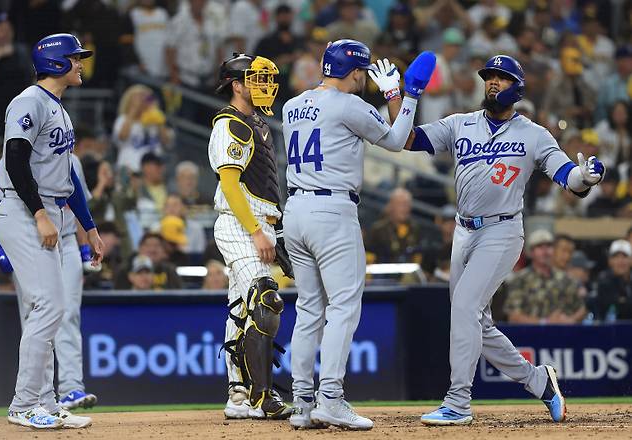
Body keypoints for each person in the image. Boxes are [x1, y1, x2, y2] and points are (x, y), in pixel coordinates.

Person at [404, 54, 606, 425]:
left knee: (464, 308)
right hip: (464, 232)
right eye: (489, 77)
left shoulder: (533, 134)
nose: (493, 83)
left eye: (502, 78)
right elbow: (408, 139)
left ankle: (458, 401)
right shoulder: (461, 123)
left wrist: (585, 177)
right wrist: (403, 98)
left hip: (502, 230)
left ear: (518, 88)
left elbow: (568, 177)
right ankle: (538, 381)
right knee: (476, 322)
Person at [282, 40, 435, 429]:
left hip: (296, 208)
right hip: (332, 209)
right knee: (344, 307)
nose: (364, 78)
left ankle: (301, 403)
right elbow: (398, 141)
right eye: (363, 72)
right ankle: (330, 397)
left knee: (309, 309)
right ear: (355, 72)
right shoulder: (350, 105)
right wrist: (401, 94)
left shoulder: (291, 105)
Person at [0, 33, 104, 429]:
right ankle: (24, 405)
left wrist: (89, 228)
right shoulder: (29, 101)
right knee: (49, 307)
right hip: (23, 211)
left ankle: (47, 400)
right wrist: (39, 212)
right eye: (75, 58)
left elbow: (66, 181)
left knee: (55, 310)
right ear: (55, 62)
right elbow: (16, 159)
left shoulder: (59, 108)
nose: (80, 64)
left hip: (51, 211)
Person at [208, 53, 292, 420]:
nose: (264, 85)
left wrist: (279, 232)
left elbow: (268, 186)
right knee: (266, 299)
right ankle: (262, 395)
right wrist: (257, 231)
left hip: (263, 222)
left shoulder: (257, 122)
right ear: (237, 85)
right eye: (255, 79)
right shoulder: (230, 124)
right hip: (240, 224)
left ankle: (238, 392)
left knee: (243, 308)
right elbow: (229, 184)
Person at [0, 153, 100, 413]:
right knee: (37, 314)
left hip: (67, 237)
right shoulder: (13, 156)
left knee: (66, 312)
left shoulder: (72, 160)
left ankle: (70, 388)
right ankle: (35, 396)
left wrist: (86, 241)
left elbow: (77, 200)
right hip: (28, 235)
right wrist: (0, 247)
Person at [503, 229, 585, 324]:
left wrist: (571, 320)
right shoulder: (520, 280)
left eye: (549, 246)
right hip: (530, 336)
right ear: (531, 252)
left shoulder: (566, 279)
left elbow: (581, 309)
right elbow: (513, 317)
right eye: (540, 247)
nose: (545, 251)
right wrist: (545, 322)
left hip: (562, 335)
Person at [593, 239, 632, 321]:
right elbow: (613, 306)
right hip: (610, 331)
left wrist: (624, 301)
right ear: (610, 261)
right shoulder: (604, 281)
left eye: (624, 256)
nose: (620, 261)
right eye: (616, 257)